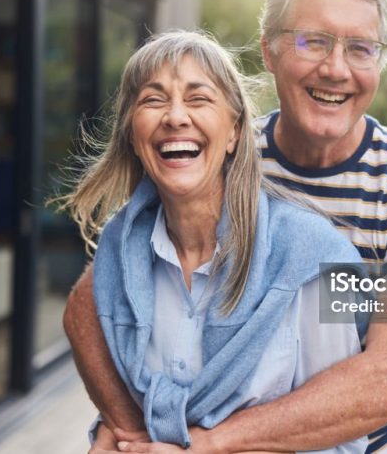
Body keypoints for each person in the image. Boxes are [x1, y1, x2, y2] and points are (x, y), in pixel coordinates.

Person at [64, 0, 387, 452]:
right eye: (313, 40)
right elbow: (92, 298)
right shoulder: (215, 151)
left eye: (361, 48)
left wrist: (208, 445)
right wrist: (126, 427)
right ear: (270, 52)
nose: (335, 69)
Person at [60, 30, 368, 452]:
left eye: (198, 98)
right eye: (153, 100)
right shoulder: (120, 252)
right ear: (133, 135)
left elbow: (342, 444)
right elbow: (126, 395)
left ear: (235, 133)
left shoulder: (310, 257)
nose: (174, 116)